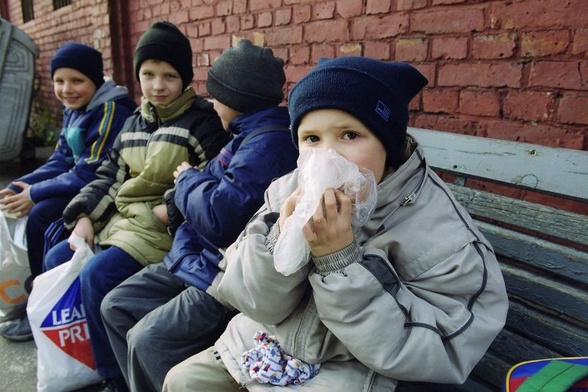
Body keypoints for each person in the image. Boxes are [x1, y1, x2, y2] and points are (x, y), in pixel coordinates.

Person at [162, 56, 510, 392]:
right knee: (182, 381)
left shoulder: (442, 234)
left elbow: (441, 347)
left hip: (355, 369)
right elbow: (250, 298)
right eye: (312, 139)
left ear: (386, 142)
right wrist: (279, 241)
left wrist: (339, 261)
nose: (329, 156)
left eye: (348, 135)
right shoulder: (286, 190)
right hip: (263, 345)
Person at [100, 39, 299, 392]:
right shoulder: (244, 135)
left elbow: (220, 220)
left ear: (238, 100)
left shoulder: (267, 145)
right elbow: (215, 192)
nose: (211, 103)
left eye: (216, 95)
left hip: (220, 275)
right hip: (194, 256)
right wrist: (191, 184)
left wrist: (187, 179)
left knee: (147, 340)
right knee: (116, 305)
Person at [42, 21, 229, 392]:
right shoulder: (133, 122)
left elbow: (213, 182)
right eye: (148, 74)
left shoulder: (203, 122)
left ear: (186, 78)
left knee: (96, 274)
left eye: (169, 76)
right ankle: (86, 359)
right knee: (57, 255)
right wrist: (83, 216)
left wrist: (169, 208)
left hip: (164, 229)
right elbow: (110, 176)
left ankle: (114, 377)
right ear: (136, 75)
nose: (158, 85)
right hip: (123, 222)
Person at [0, 42, 136, 341]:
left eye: (77, 81)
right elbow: (61, 157)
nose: (66, 89)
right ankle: (38, 298)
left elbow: (91, 170)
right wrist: (21, 185)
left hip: (104, 192)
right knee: (27, 205)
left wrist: (35, 193)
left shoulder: (111, 110)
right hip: (79, 185)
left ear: (95, 80)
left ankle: (46, 301)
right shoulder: (73, 108)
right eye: (59, 81)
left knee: (40, 216)